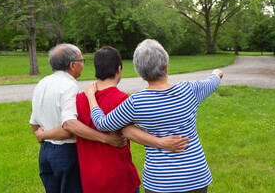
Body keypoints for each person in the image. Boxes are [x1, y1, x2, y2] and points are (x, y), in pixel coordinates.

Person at [85, 39, 223, 193]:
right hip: (196, 176)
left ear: (140, 72)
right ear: (166, 67)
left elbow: (102, 124)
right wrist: (216, 73)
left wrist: (91, 95)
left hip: (160, 181)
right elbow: (214, 81)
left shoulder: (135, 103)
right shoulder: (190, 90)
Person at [75, 46, 189, 193]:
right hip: (119, 177)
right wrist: (162, 142)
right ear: (119, 69)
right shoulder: (123, 99)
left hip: (90, 177)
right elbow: (130, 132)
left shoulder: (79, 99)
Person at [29, 43, 127, 193]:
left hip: (46, 154)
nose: (83, 65)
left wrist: (43, 137)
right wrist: (106, 139)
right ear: (72, 65)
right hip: (66, 153)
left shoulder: (42, 83)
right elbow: (69, 125)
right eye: (82, 61)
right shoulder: (69, 86)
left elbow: (34, 122)